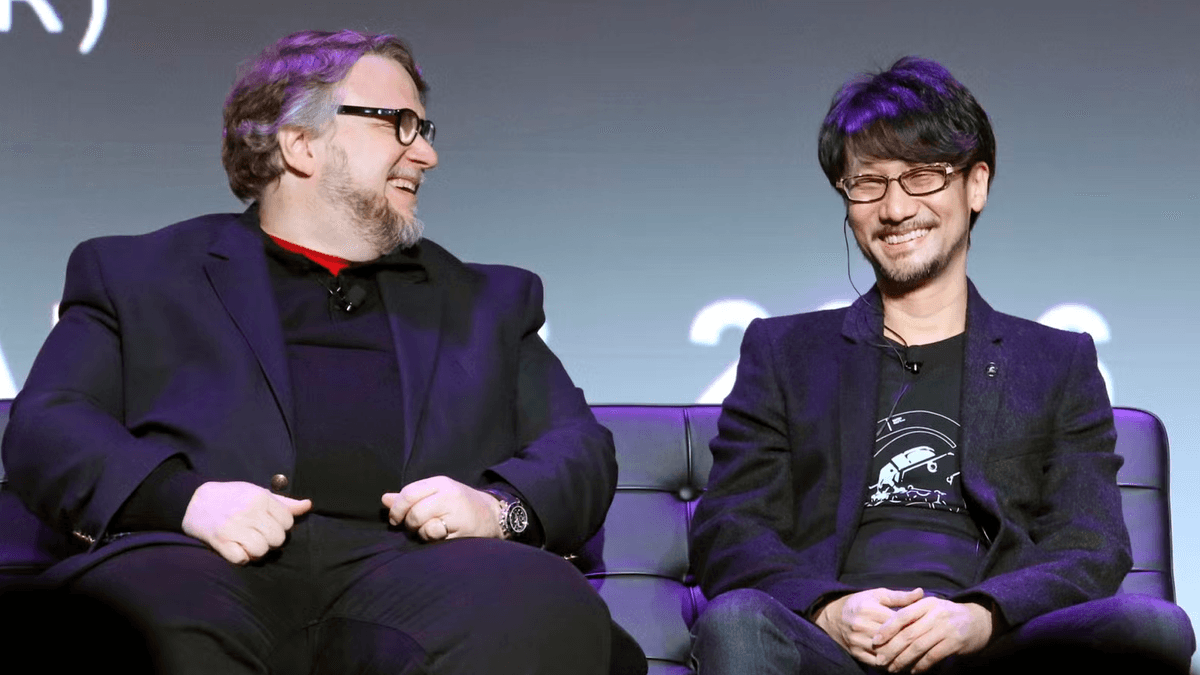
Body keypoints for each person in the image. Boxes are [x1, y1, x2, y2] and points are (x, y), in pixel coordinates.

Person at [1, 29, 641, 675]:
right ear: (300, 143)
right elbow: (49, 425)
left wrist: (496, 508)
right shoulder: (139, 274)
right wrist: (187, 500)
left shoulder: (489, 301)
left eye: (424, 129)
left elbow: (579, 448)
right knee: (137, 614)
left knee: (534, 602)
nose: (427, 154)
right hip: (196, 565)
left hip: (422, 574)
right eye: (400, 124)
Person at [688, 56, 1194, 674]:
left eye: (922, 176)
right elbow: (730, 528)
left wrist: (980, 615)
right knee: (736, 620)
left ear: (976, 185)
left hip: (993, 646)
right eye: (868, 183)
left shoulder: (1057, 362)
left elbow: (1091, 544)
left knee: (1154, 627)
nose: (895, 208)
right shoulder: (784, 351)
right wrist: (829, 609)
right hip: (836, 649)